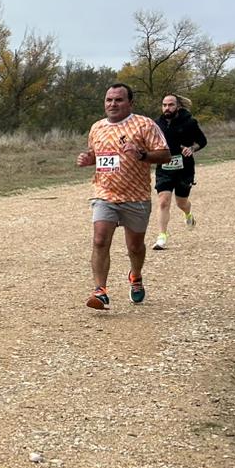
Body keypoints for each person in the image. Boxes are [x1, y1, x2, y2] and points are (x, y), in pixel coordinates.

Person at [77, 82, 171, 310]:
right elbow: (97, 154)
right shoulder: (97, 127)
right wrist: (89, 159)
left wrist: (142, 155)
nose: (113, 104)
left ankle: (135, 276)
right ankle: (100, 291)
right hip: (104, 194)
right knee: (100, 239)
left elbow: (165, 155)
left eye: (118, 100)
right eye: (109, 100)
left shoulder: (144, 125)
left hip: (136, 196)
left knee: (135, 246)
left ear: (130, 103)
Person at [152, 93, 207, 250]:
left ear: (178, 106)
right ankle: (162, 237)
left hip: (184, 169)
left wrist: (192, 149)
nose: (167, 108)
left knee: (181, 203)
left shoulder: (189, 122)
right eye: (164, 105)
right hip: (164, 168)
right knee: (163, 201)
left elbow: (202, 141)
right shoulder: (156, 124)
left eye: (171, 105)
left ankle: (188, 213)